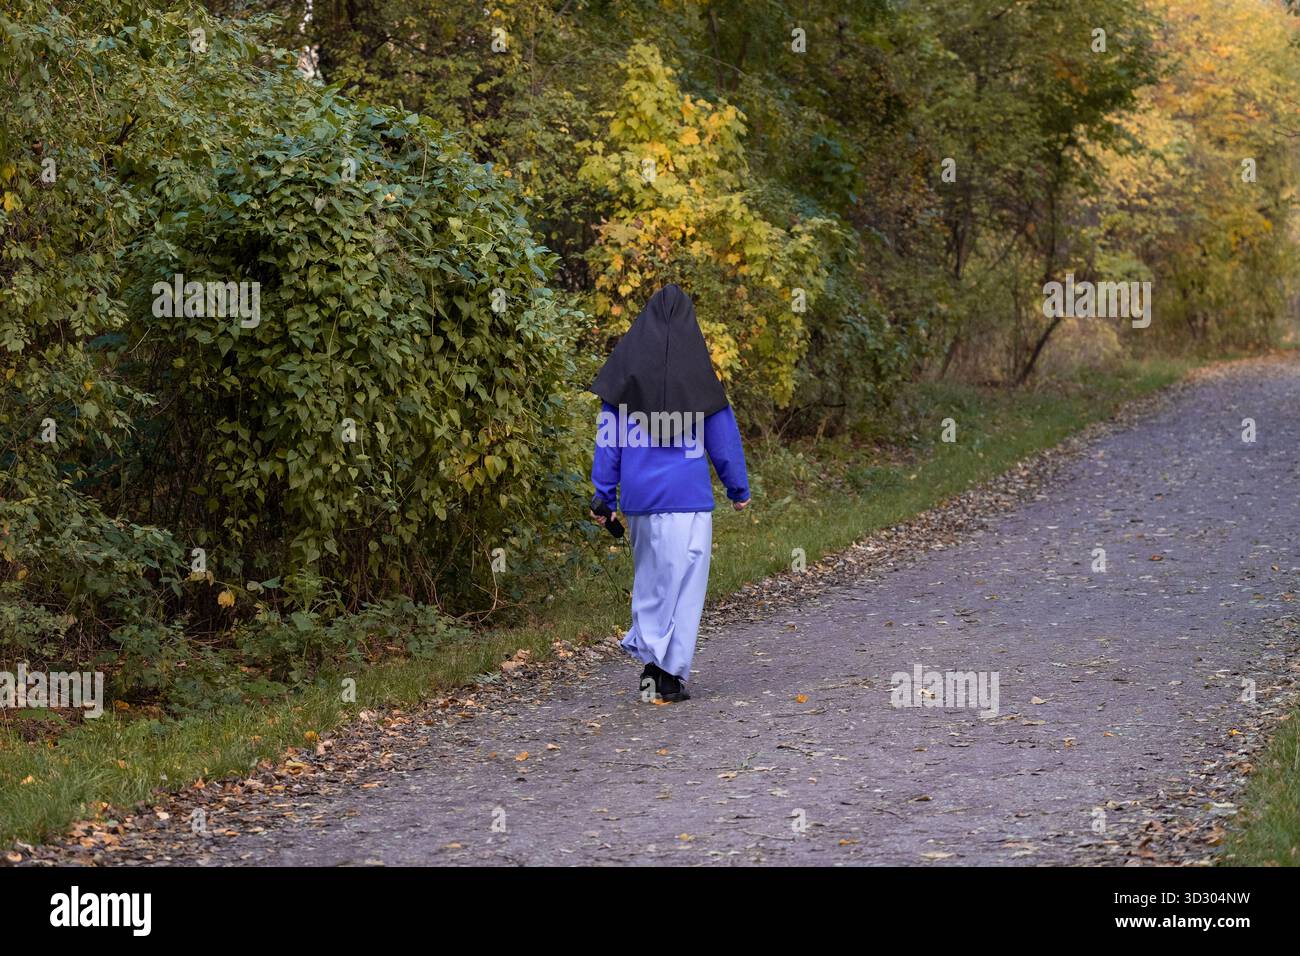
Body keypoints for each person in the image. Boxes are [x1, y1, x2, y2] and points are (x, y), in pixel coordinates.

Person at [589, 284, 750, 702]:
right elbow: (723, 439)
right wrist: (738, 488)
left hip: (642, 501)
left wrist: (603, 497)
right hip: (690, 501)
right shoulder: (700, 379)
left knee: (653, 583)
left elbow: (609, 443)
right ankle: (666, 674)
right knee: (684, 589)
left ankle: (651, 664)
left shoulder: (623, 381)